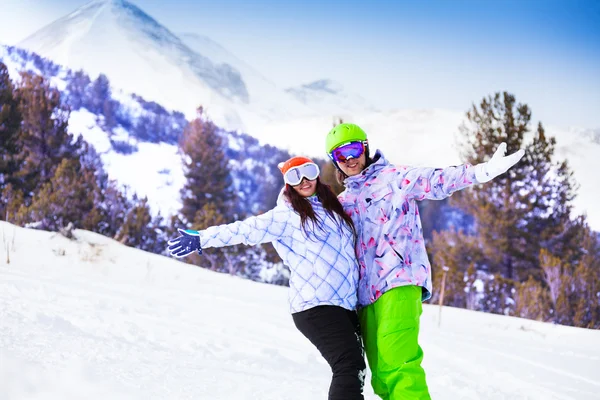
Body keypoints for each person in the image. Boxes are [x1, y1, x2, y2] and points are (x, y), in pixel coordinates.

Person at [325, 123, 525, 400]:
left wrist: (482, 171)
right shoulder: (344, 201)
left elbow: (437, 180)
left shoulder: (394, 178)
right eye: (340, 154)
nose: (349, 159)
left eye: (353, 149)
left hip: (399, 281)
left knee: (399, 363)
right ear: (334, 161)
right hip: (364, 297)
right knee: (382, 377)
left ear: (365, 147)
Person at [167, 156, 367, 400]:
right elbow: (245, 229)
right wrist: (202, 237)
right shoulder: (286, 215)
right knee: (348, 365)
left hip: (343, 305)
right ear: (287, 184)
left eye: (307, 172)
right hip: (316, 304)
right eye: (294, 176)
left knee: (355, 370)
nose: (303, 180)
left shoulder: (333, 208)